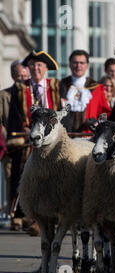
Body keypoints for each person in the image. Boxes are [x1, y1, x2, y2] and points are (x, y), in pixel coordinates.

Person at [7, 50, 62, 234]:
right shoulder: (21, 89)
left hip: (50, 141)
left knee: (50, 179)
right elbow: (14, 115)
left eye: (39, 65)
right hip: (28, 139)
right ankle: (26, 216)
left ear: (46, 69)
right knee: (25, 177)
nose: (36, 68)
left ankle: (47, 216)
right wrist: (26, 130)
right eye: (32, 65)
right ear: (27, 68)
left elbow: (60, 114)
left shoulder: (54, 87)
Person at [0, 61, 29, 226]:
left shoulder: (31, 93)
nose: (23, 80)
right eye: (19, 77)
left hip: (29, 147)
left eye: (25, 76)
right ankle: (13, 215)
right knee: (12, 179)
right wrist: (8, 139)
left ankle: (26, 214)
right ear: (13, 76)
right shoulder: (4, 96)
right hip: (11, 147)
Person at [60, 50, 112, 133]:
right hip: (64, 135)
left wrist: (96, 123)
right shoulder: (61, 86)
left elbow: (105, 113)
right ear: (69, 64)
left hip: (87, 136)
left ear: (87, 65)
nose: (78, 66)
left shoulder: (96, 88)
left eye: (82, 63)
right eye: (75, 62)